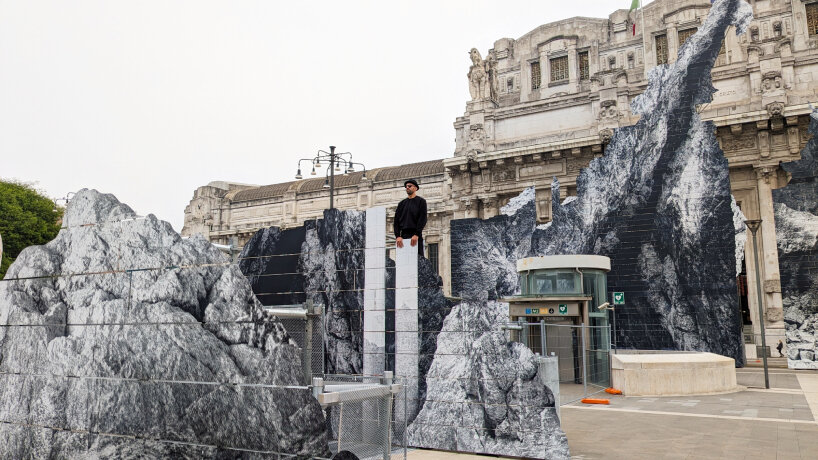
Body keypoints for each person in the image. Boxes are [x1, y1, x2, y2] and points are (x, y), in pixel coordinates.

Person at [394, 179, 427, 257]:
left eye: (409, 186)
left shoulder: (421, 201)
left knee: (418, 259)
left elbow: (422, 219)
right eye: (406, 186)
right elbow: (396, 221)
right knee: (403, 259)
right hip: (403, 236)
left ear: (415, 188)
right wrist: (398, 236)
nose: (407, 188)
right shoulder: (401, 204)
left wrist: (416, 234)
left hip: (415, 235)